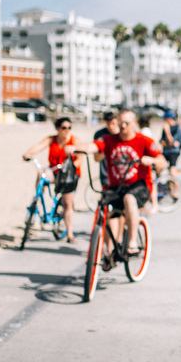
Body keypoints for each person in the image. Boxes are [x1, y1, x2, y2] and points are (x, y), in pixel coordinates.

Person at [68, 110, 165, 262]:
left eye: (126, 123)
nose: (123, 126)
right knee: (107, 211)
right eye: (120, 123)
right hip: (115, 187)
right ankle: (110, 251)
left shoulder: (144, 141)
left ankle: (132, 242)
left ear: (134, 124)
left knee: (129, 199)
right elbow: (95, 147)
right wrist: (78, 148)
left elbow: (161, 161)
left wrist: (151, 161)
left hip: (138, 186)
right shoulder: (109, 139)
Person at [22, 117, 80, 242]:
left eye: (69, 128)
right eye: (64, 128)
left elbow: (80, 159)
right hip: (55, 170)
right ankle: (37, 198)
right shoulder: (52, 139)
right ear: (58, 129)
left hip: (69, 174)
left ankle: (70, 233)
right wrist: (28, 154)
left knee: (67, 203)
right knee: (41, 173)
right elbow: (38, 146)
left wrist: (73, 163)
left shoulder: (74, 141)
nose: (66, 131)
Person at [160, 110, 181, 198]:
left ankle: (175, 190)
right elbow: (162, 141)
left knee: (172, 170)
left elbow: (173, 142)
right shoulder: (165, 128)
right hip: (165, 151)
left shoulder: (177, 128)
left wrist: (167, 132)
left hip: (173, 152)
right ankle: (164, 187)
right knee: (159, 166)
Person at [93, 111, 120, 189]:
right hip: (106, 175)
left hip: (123, 175)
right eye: (108, 124)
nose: (111, 127)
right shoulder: (100, 135)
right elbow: (96, 158)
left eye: (113, 123)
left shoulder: (123, 133)